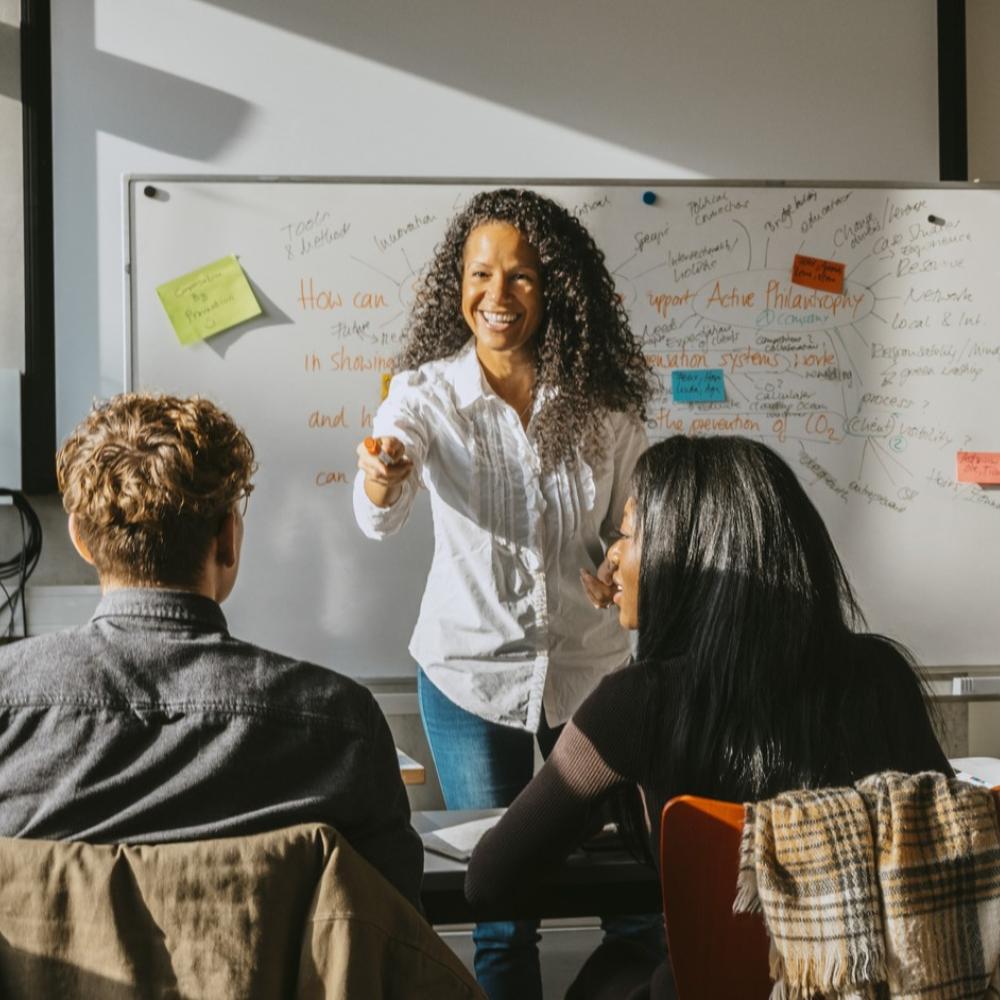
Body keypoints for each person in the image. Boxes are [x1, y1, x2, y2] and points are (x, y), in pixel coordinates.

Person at [465, 435, 951, 1000]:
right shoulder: (881, 677)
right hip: (865, 990)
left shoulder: (636, 703)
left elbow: (488, 881)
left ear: (685, 558)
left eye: (626, 533)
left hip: (705, 992)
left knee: (615, 967)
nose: (613, 557)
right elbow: (942, 833)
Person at [353, 187, 656, 998]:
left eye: (521, 277)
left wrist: (622, 558)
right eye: (479, 274)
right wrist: (383, 478)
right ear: (455, 285)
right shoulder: (426, 395)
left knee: (635, 906)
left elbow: (639, 520)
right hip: (468, 677)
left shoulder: (604, 406)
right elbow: (378, 510)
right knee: (500, 912)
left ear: (555, 287)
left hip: (591, 674)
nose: (497, 296)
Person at [0, 392, 423, 910]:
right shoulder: (342, 726)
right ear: (228, 539)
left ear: (82, 542)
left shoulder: (6, 708)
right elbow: (395, 939)